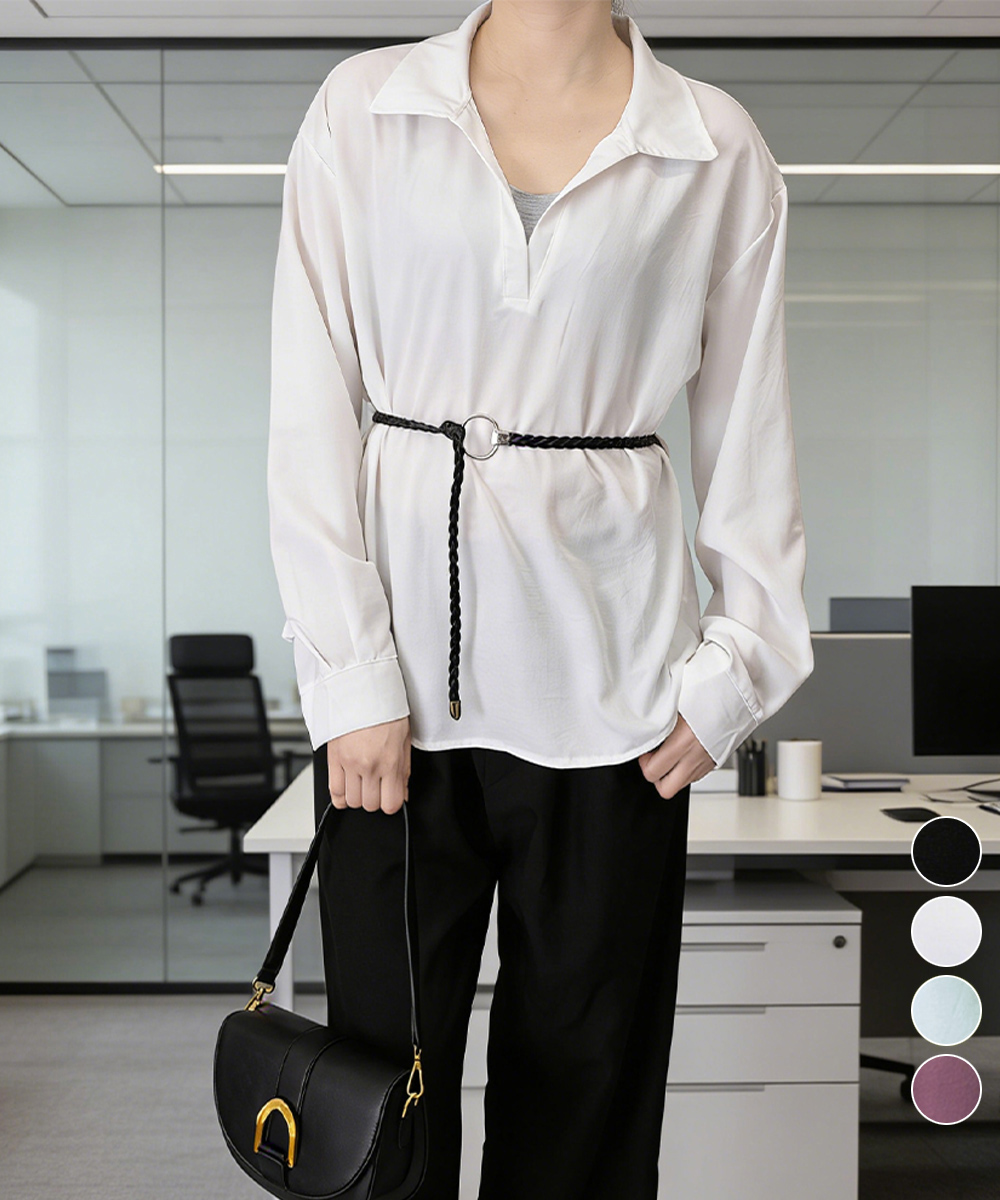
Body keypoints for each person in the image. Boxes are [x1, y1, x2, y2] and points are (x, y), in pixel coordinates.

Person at [266, 1, 814, 1197]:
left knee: (585, 1103)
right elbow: (308, 412)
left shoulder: (714, 145)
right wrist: (348, 675)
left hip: (614, 698)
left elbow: (750, 428)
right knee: (381, 1114)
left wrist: (738, 668)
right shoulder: (364, 109)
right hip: (397, 704)